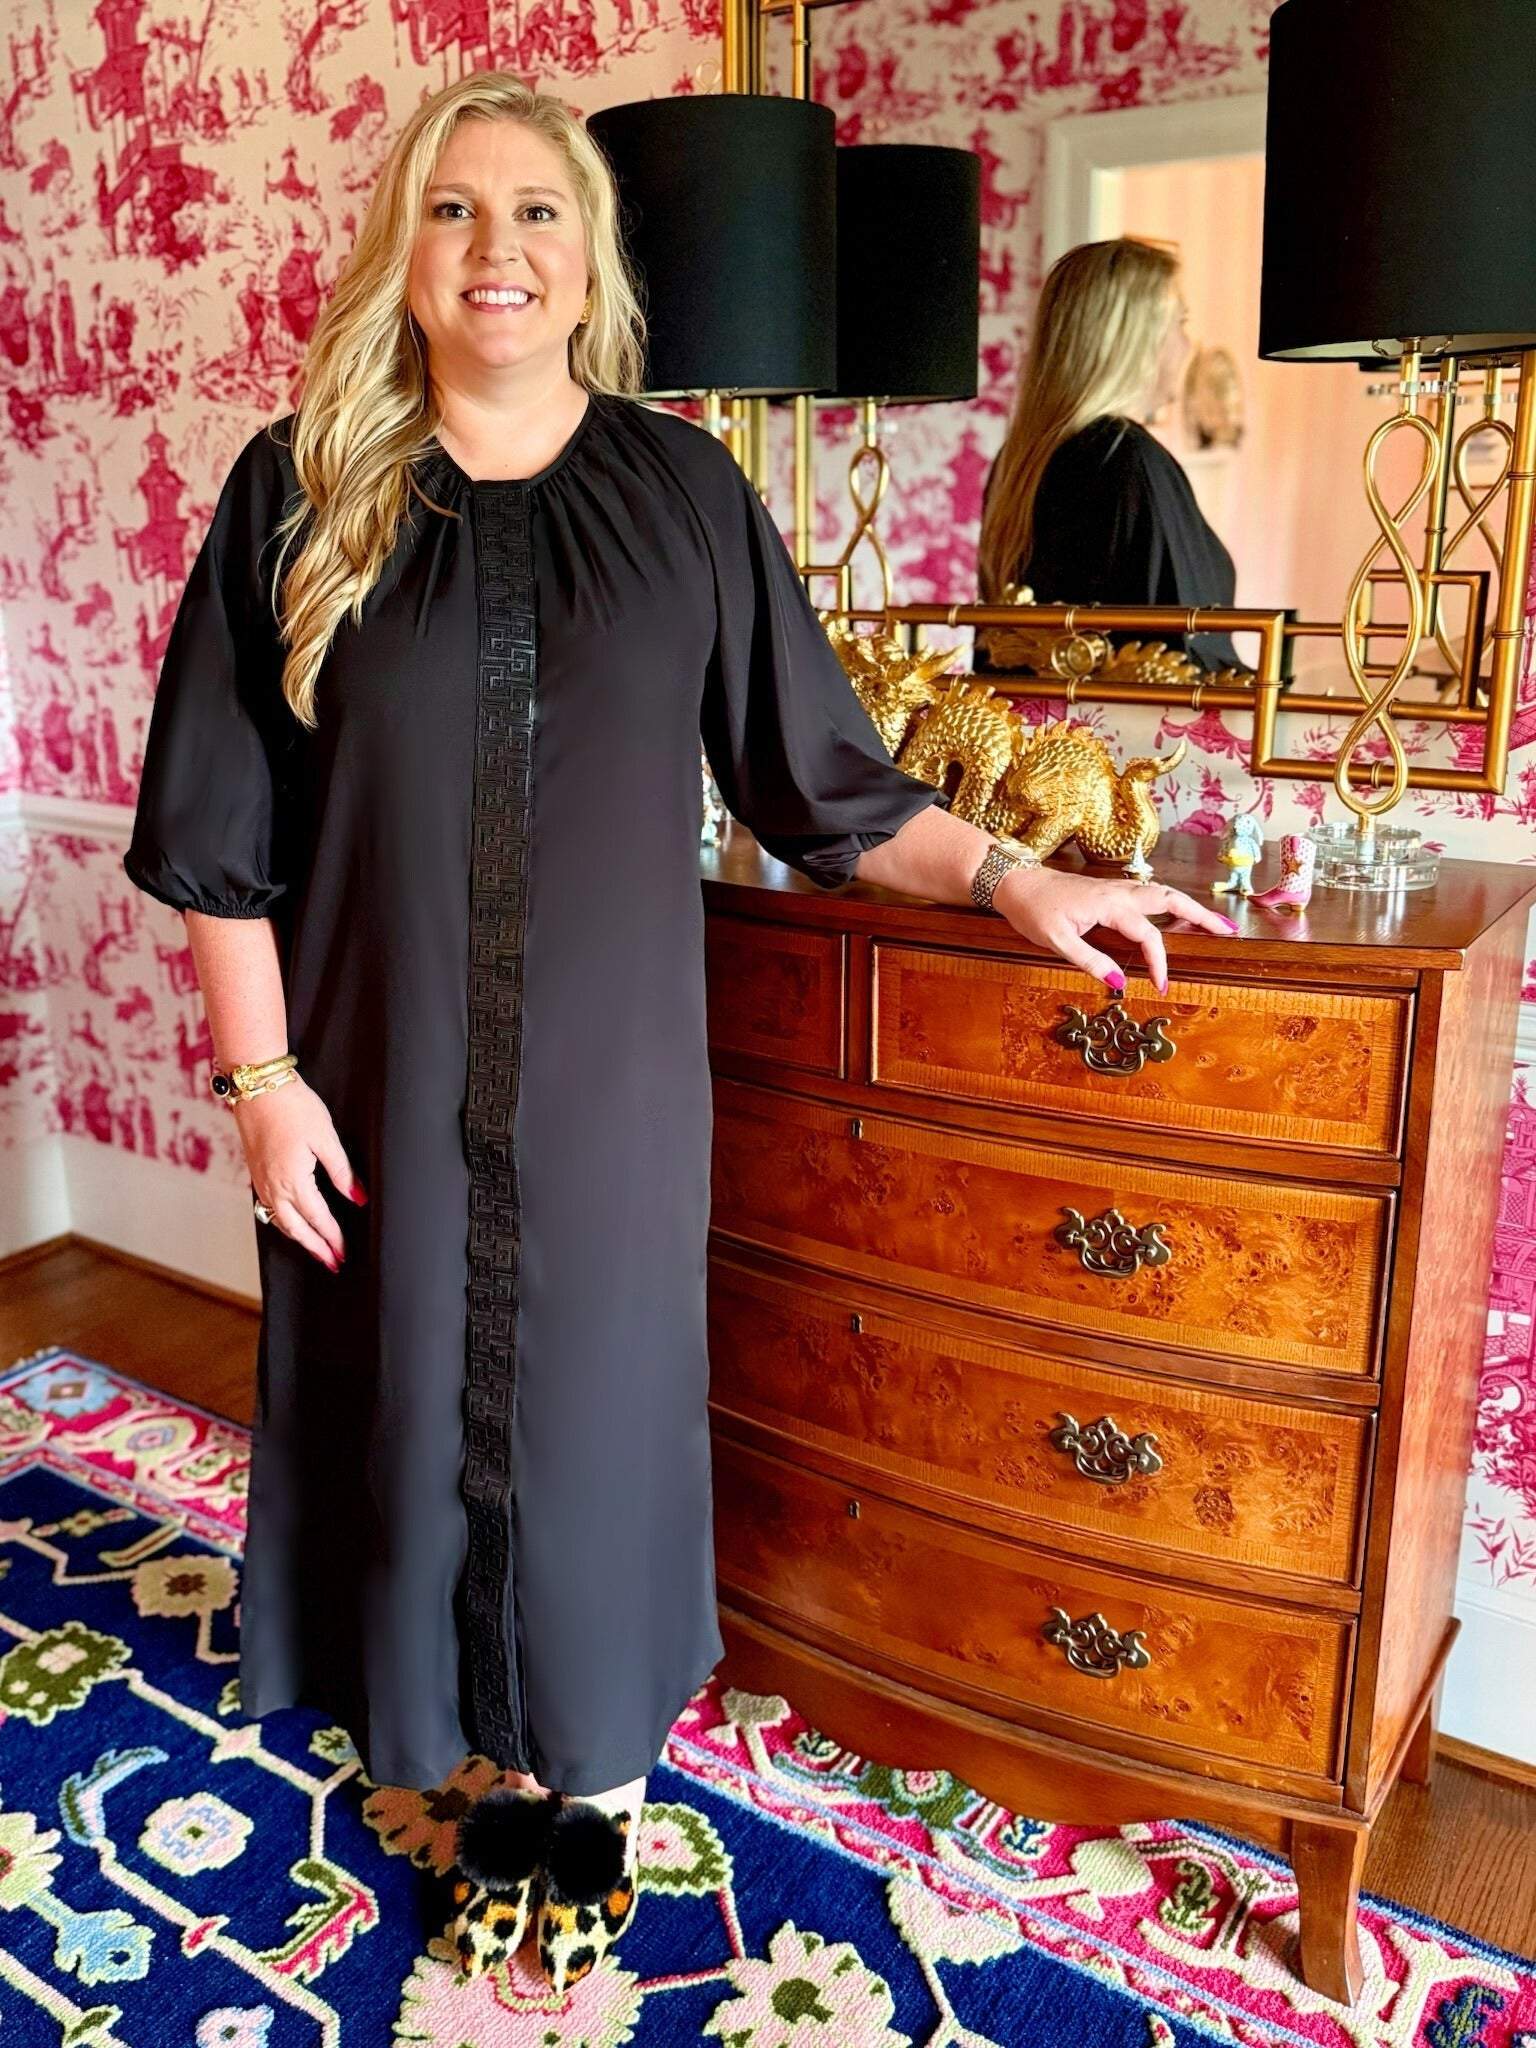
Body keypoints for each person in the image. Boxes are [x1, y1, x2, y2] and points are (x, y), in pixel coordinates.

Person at [121, 75, 1239, 1989]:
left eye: (538, 213)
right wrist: (260, 1083)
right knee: (403, 1404)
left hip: (613, 1098)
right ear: (406, 250)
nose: (498, 250)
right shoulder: (293, 492)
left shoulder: (687, 498)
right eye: (457, 211)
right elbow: (224, 835)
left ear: (592, 256)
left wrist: (1017, 882)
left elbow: (830, 783)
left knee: (600, 1423)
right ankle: (469, 1763)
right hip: (367, 1075)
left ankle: (600, 1775)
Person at [976, 236, 1245, 672]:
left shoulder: (1019, 460)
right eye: (1180, 322)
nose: (1187, 343)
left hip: (1038, 731)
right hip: (1134, 735)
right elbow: (1177, 656)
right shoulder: (1128, 458)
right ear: (1139, 338)